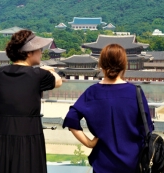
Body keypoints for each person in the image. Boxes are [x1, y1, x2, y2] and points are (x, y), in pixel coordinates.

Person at [63, 43, 153, 172]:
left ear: (101, 65)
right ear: (123, 65)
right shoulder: (135, 92)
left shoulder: (92, 92)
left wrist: (89, 143)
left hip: (103, 162)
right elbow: (147, 129)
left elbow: (71, 118)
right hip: (134, 161)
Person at [0, 29, 62, 173]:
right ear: (29, 52)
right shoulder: (38, 74)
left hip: (0, 134)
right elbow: (58, 82)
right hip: (28, 135)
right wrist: (47, 70)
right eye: (39, 49)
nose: (41, 52)